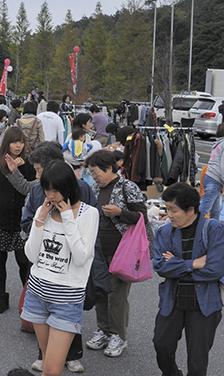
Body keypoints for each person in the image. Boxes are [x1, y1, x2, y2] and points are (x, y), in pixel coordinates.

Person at [6, 141, 95, 374]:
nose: (50, 195)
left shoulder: (89, 214)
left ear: (69, 187)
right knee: (47, 365)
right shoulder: (43, 209)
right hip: (38, 292)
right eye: (46, 190)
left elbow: (81, 258)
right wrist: (39, 220)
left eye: (54, 190)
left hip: (67, 297)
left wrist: (68, 220)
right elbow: (31, 254)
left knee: (53, 369)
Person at [152, 182, 224, 376]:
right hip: (173, 298)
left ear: (191, 209)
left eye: (173, 210)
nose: (168, 214)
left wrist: (176, 265)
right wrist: (194, 264)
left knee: (197, 360)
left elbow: (215, 270)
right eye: (167, 209)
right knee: (161, 345)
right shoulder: (164, 231)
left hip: (204, 303)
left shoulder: (214, 229)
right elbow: (160, 266)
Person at [83, 150, 147, 358]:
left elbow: (142, 217)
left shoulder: (128, 187)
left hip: (122, 251)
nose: (93, 176)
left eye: (95, 172)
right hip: (98, 249)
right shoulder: (94, 188)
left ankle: (118, 335)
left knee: (116, 296)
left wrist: (120, 213)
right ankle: (103, 330)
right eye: (90, 172)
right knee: (100, 291)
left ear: (109, 168)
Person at [0, 127, 36, 314]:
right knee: (0, 259)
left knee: (23, 261)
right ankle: (2, 297)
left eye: (21, 142)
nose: (18, 146)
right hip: (0, 217)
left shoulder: (28, 164)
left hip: (21, 220)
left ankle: (27, 298)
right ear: (7, 143)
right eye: (14, 142)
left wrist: (21, 168)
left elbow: (30, 189)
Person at [199, 123, 224, 220]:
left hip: (211, 177)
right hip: (215, 179)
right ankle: (196, 227)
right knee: (205, 209)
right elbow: (223, 165)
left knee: (215, 210)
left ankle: (214, 227)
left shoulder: (218, 143)